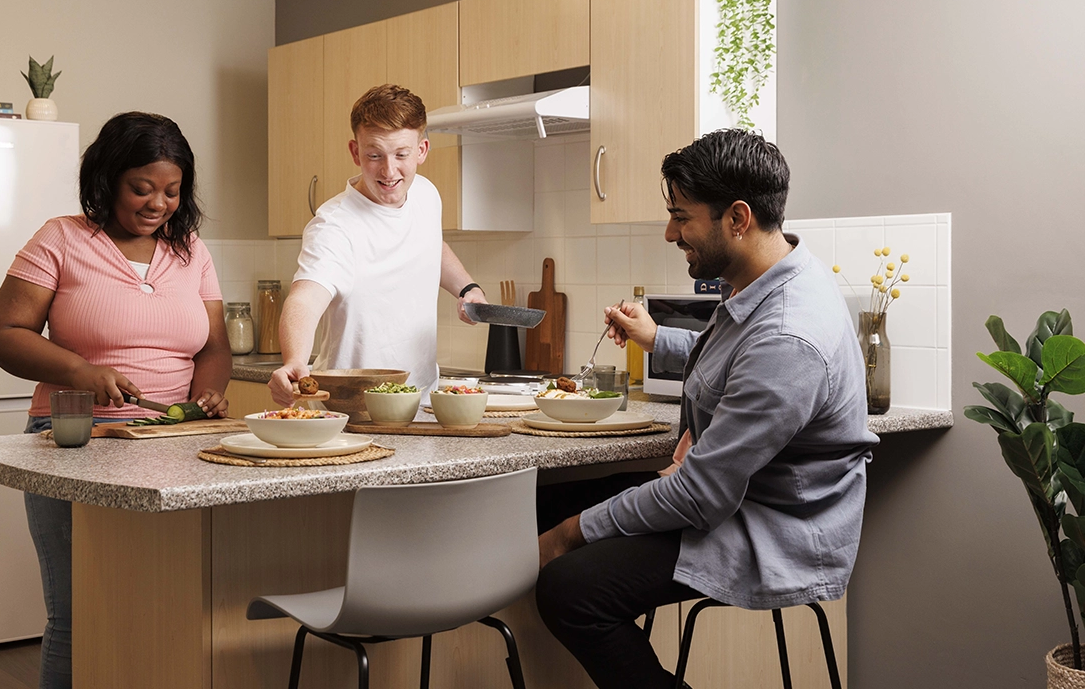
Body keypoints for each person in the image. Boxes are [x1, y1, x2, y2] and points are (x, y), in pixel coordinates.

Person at [534, 128, 879, 689]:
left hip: (770, 525)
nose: (671, 232)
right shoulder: (763, 280)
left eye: (681, 216)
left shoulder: (790, 334)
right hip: (733, 496)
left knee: (570, 589)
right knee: (538, 504)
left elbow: (699, 493)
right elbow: (730, 362)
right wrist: (654, 337)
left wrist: (569, 535)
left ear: (737, 218)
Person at [0, 111, 231, 689]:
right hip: (74, 438)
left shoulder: (191, 249)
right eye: (140, 188)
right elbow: (1, 334)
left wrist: (208, 393)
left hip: (171, 444)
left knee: (164, 605)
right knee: (77, 613)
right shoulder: (62, 238)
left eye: (171, 191)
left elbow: (214, 346)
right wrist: (81, 372)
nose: (157, 204)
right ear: (108, 178)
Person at [268, 84, 485, 405]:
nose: (388, 170)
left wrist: (468, 288)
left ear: (422, 150)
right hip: (353, 405)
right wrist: (294, 360)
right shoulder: (334, 225)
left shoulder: (426, 194)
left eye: (401, 154)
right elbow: (305, 300)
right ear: (355, 152)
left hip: (422, 401)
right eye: (374, 155)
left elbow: (431, 245)